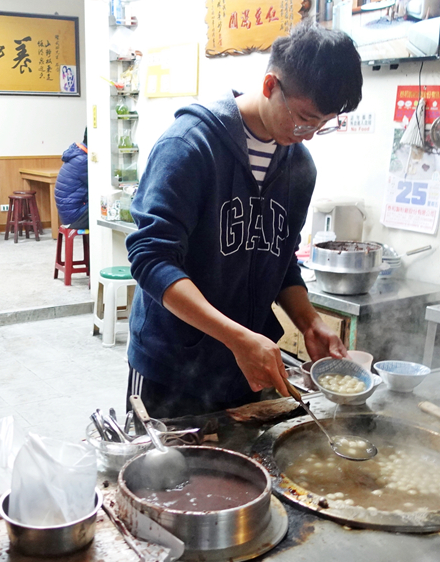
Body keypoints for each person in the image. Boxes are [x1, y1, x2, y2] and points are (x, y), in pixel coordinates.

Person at [125, 22, 363, 418]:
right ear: (270, 85)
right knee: (161, 475)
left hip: (245, 368)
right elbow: (151, 261)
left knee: (241, 476)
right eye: (304, 118)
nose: (307, 135)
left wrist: (309, 321)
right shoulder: (188, 146)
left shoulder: (299, 167)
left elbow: (281, 258)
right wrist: (237, 338)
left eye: (321, 125)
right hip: (170, 368)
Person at [54, 130, 88, 231]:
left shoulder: (77, 155)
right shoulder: (83, 161)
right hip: (75, 217)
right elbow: (98, 186)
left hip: (68, 215)